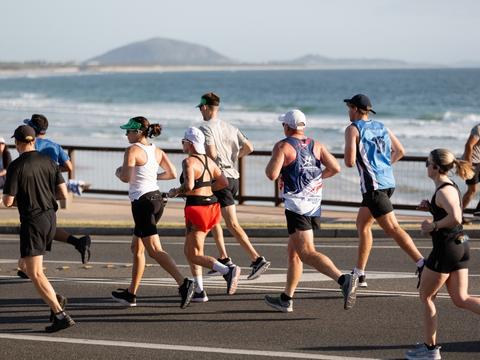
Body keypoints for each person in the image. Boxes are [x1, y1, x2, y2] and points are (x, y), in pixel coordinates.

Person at [264, 110, 358, 312]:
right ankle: (286, 298)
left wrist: (277, 159)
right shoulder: (317, 144)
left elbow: (271, 174)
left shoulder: (283, 146)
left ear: (287, 127)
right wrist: (315, 180)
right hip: (313, 204)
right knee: (294, 254)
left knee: (306, 253)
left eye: (283, 125)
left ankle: (343, 280)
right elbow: (335, 168)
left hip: (297, 206)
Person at [111, 116, 194, 309]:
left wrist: (118, 172)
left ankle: (183, 283)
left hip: (143, 203)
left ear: (138, 132)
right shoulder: (157, 150)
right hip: (156, 198)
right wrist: (151, 175)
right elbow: (172, 173)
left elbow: (125, 177)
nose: (126, 134)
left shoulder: (132, 150)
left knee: (154, 250)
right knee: (137, 248)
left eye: (129, 131)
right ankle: (131, 294)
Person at [343, 94, 424, 288]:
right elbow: (400, 151)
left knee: (392, 228)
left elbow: (349, 161)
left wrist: (366, 165)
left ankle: (423, 264)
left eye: (349, 108)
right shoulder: (382, 126)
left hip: (374, 187)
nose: (348, 111)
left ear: (354, 109)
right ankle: (360, 272)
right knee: (362, 224)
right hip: (388, 182)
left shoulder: (352, 129)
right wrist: (384, 166)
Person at [405, 149, 479, 360]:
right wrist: (431, 208)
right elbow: (450, 211)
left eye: (428, 163)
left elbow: (456, 217)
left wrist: (433, 224)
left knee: (426, 296)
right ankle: (429, 346)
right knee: (461, 298)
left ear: (436, 167)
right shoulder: (448, 187)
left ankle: (430, 349)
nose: (426, 166)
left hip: (446, 249)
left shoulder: (443, 191)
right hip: (461, 245)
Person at [2, 125, 75, 332]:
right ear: (33, 140)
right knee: (24, 265)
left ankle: (60, 315)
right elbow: (62, 193)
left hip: (32, 221)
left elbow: (7, 201)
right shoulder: (50, 162)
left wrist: (25, 201)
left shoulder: (17, 166)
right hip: (50, 219)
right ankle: (54, 297)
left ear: (17, 142)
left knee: (34, 272)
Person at [197, 92, 271, 280]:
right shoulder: (230, 127)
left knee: (231, 223)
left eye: (200, 108)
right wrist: (233, 158)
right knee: (213, 217)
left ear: (205, 107)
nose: (200, 111)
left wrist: (215, 165)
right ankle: (224, 258)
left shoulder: (205, 128)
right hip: (233, 177)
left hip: (220, 179)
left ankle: (257, 259)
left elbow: (211, 154)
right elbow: (249, 147)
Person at [168, 127, 241, 301]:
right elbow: (223, 182)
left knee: (193, 254)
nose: (182, 144)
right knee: (192, 250)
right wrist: (206, 189)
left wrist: (175, 192)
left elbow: (189, 186)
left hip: (197, 209)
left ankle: (227, 270)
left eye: (184, 141)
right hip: (212, 207)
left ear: (190, 144)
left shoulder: (189, 162)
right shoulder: (210, 161)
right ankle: (200, 291)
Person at [19, 114, 91, 266]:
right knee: (45, 224)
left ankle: (28, 266)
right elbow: (69, 167)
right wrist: (52, 171)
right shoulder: (54, 146)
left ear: (31, 129)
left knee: (34, 225)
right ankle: (78, 243)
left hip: (34, 188)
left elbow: (24, 167)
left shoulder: (30, 145)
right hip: (51, 189)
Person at [461, 123, 480, 223]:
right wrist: (468, 164)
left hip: (479, 162)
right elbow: (469, 145)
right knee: (472, 191)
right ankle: (457, 215)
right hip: (473, 163)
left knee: (472, 191)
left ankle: (478, 212)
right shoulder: (478, 128)